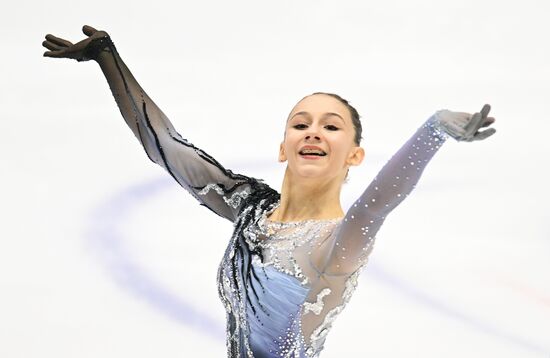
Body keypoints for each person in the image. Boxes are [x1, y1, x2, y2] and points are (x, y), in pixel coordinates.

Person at [42, 25, 497, 358]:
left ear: (354, 156)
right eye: (301, 124)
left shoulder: (335, 243)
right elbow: (166, 148)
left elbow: (377, 204)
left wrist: (435, 130)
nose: (313, 132)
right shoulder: (251, 207)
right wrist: (107, 57)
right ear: (283, 147)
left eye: (331, 126)